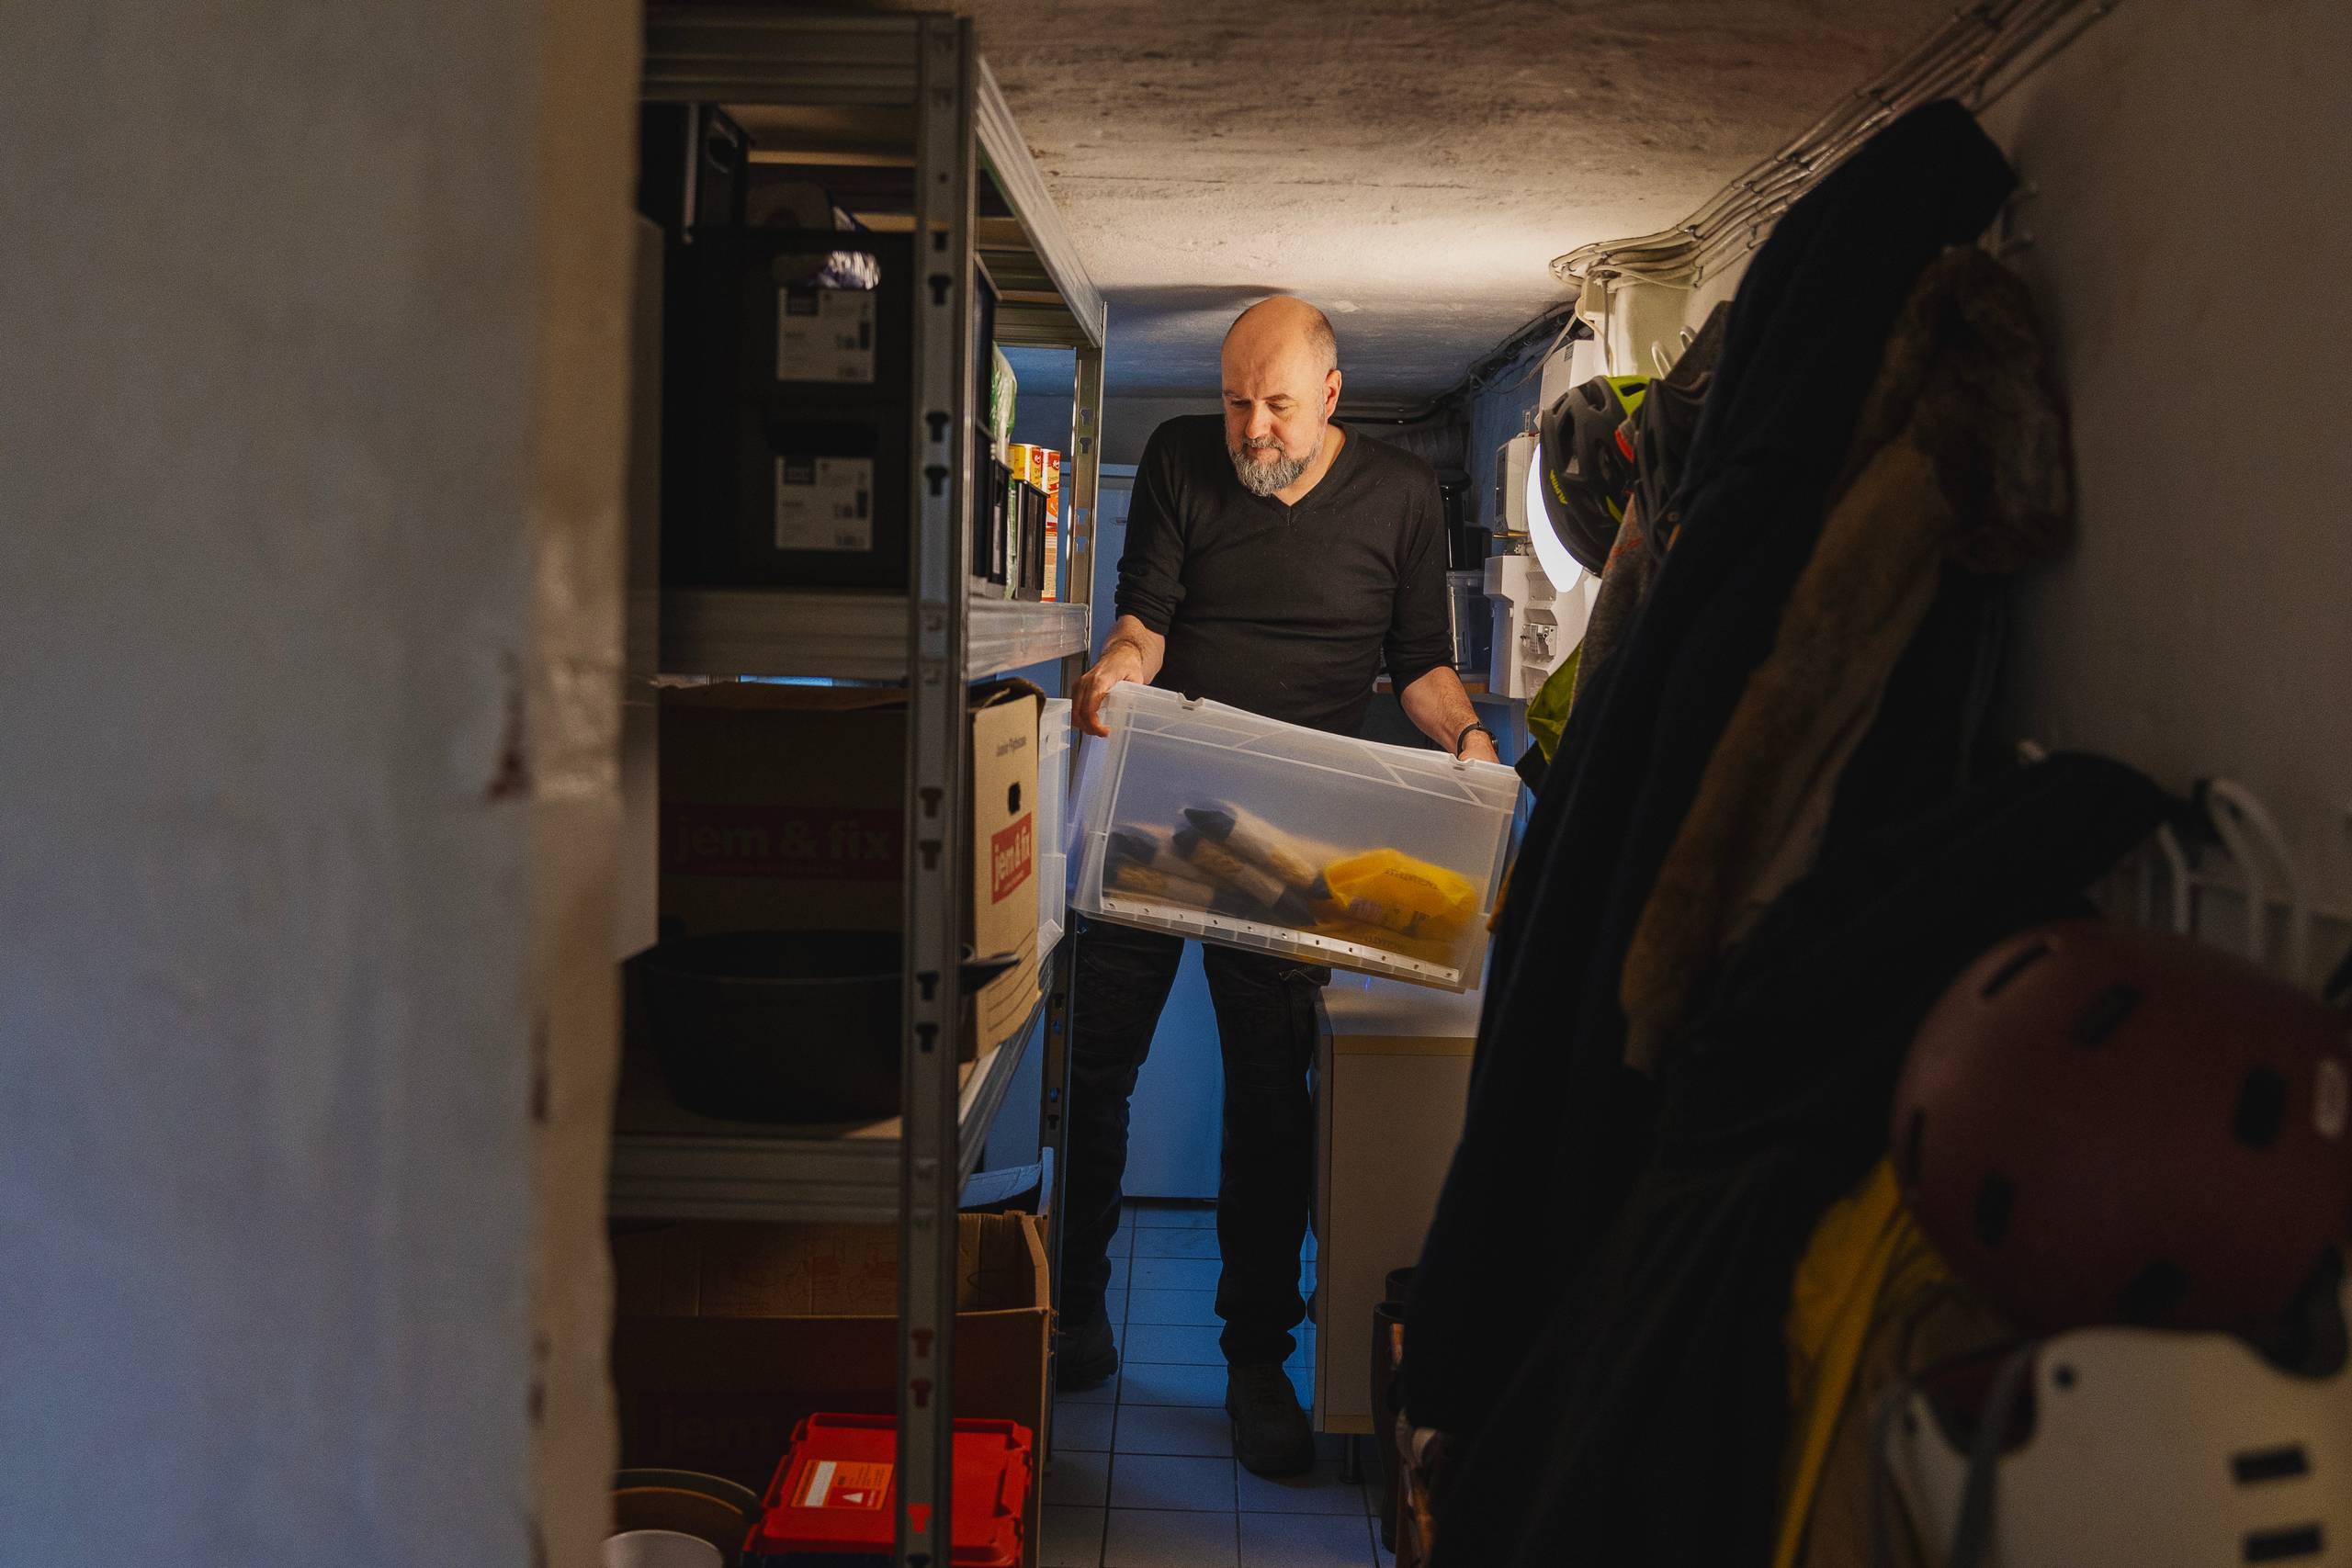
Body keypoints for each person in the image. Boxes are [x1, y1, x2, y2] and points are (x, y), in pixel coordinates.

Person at [1060, 296, 1499, 1477]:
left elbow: (1420, 669)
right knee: (1090, 1069)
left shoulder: (1401, 498)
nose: (1252, 429)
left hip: (1286, 851)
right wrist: (1114, 661)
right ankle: (1074, 1316)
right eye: (1236, 402)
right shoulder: (1179, 460)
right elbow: (1146, 617)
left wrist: (1467, 746)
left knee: (1269, 1103)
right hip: (1153, 810)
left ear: (1333, 397)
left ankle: (1256, 1361)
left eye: (1277, 406)